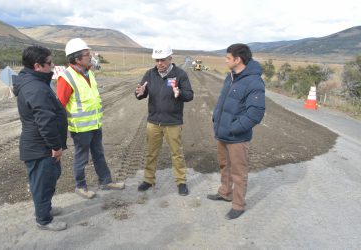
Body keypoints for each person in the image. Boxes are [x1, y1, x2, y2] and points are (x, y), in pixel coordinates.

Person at [57, 38, 124, 199]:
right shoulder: (66, 78)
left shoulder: (89, 74)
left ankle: (106, 181)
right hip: (80, 129)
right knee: (82, 158)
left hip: (95, 124)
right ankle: (80, 186)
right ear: (77, 58)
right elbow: (59, 106)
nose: (91, 57)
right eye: (88, 54)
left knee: (99, 153)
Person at [207, 43, 265, 219]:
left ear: (237, 59)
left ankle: (238, 206)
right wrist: (217, 118)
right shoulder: (230, 76)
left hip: (237, 137)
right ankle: (225, 192)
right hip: (222, 133)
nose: (225, 60)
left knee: (238, 173)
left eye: (228, 58)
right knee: (225, 166)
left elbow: (255, 114)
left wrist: (234, 129)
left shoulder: (254, 82)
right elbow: (223, 102)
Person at [12, 45, 68, 231]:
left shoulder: (33, 82)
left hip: (40, 144)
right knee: (42, 183)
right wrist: (56, 146)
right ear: (37, 66)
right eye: (49, 63)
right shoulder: (35, 88)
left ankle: (46, 210)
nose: (52, 67)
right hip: (40, 146)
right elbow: (45, 121)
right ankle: (43, 220)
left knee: (48, 179)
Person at [135, 44, 194, 196]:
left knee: (177, 153)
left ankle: (181, 182)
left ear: (170, 59)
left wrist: (179, 93)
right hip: (153, 122)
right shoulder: (150, 74)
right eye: (157, 60)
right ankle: (148, 180)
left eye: (162, 60)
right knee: (151, 153)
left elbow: (189, 95)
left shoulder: (180, 74)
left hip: (173, 122)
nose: (159, 63)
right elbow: (141, 92)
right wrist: (140, 93)